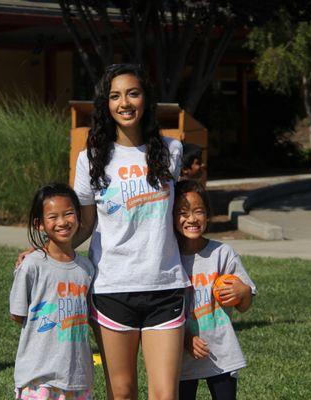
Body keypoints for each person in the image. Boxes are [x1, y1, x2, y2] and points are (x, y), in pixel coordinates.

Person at [73, 63, 191, 400]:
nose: (124, 103)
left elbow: (179, 217)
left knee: (165, 395)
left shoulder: (172, 151)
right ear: (106, 106)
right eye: (115, 96)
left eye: (132, 93)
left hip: (164, 285)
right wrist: (45, 250)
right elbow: (85, 224)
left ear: (145, 100)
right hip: (112, 288)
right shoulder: (91, 159)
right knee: (122, 393)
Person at [10, 183, 95, 400]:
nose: (62, 222)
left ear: (78, 216)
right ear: (39, 224)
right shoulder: (31, 265)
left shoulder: (86, 268)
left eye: (68, 214)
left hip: (77, 377)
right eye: (53, 217)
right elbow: (18, 314)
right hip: (38, 378)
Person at [173, 180, 256, 400]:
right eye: (183, 213)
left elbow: (245, 306)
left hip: (221, 351)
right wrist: (184, 338)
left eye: (198, 211)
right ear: (171, 218)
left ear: (208, 215)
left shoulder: (222, 253)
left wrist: (244, 292)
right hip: (181, 352)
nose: (191, 219)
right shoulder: (169, 258)